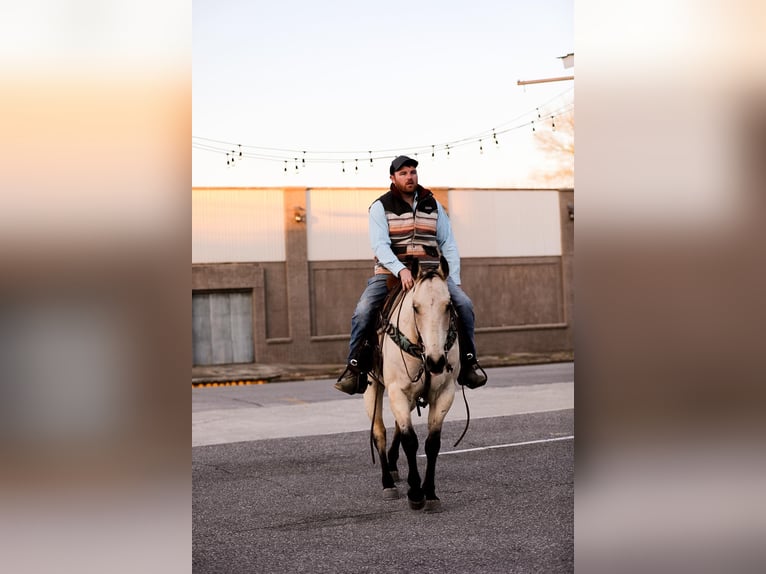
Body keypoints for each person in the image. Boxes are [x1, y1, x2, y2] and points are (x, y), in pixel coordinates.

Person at [335, 155, 487, 394]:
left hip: (432, 275)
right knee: (364, 310)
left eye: (412, 172)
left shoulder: (433, 205)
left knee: (465, 305)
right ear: (393, 178)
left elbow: (448, 243)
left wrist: (453, 280)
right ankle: (355, 368)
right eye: (403, 173)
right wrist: (401, 269)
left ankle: (469, 362)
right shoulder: (380, 207)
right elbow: (380, 246)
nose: (409, 177)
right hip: (390, 274)